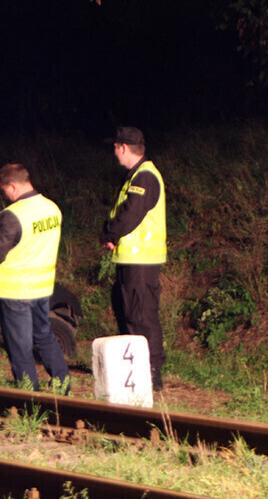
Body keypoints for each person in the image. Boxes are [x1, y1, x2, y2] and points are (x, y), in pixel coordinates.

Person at [0, 163, 70, 393]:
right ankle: (63, 385)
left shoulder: (12, 215)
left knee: (20, 348)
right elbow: (25, 241)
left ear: (13, 187)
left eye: (4, 190)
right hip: (42, 288)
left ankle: (30, 396)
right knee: (45, 336)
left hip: (16, 291)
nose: (4, 195)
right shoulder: (52, 208)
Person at [99, 126, 167, 391]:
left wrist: (109, 232)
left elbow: (130, 214)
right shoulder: (137, 175)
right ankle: (137, 368)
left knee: (142, 314)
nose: (114, 152)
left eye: (115, 147)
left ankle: (151, 372)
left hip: (142, 260)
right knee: (130, 312)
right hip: (133, 259)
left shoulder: (144, 177)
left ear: (123, 148)